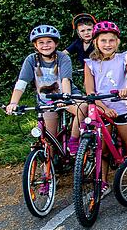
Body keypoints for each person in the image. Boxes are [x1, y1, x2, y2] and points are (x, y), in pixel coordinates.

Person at [6, 25, 84, 154]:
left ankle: (74, 140)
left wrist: (65, 97)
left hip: (67, 95)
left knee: (83, 108)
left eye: (49, 42)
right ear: (35, 46)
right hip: (46, 101)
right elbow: (22, 82)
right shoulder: (31, 60)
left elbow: (65, 80)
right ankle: (48, 169)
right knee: (48, 140)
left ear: (56, 43)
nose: (45, 45)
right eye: (41, 43)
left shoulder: (63, 58)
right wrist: (13, 102)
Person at [84, 21, 127, 195]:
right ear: (96, 42)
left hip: (121, 106)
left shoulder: (123, 58)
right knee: (103, 149)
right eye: (103, 41)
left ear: (117, 42)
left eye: (111, 40)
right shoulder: (90, 63)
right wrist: (103, 108)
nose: (107, 44)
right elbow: (90, 92)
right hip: (102, 109)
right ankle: (102, 182)